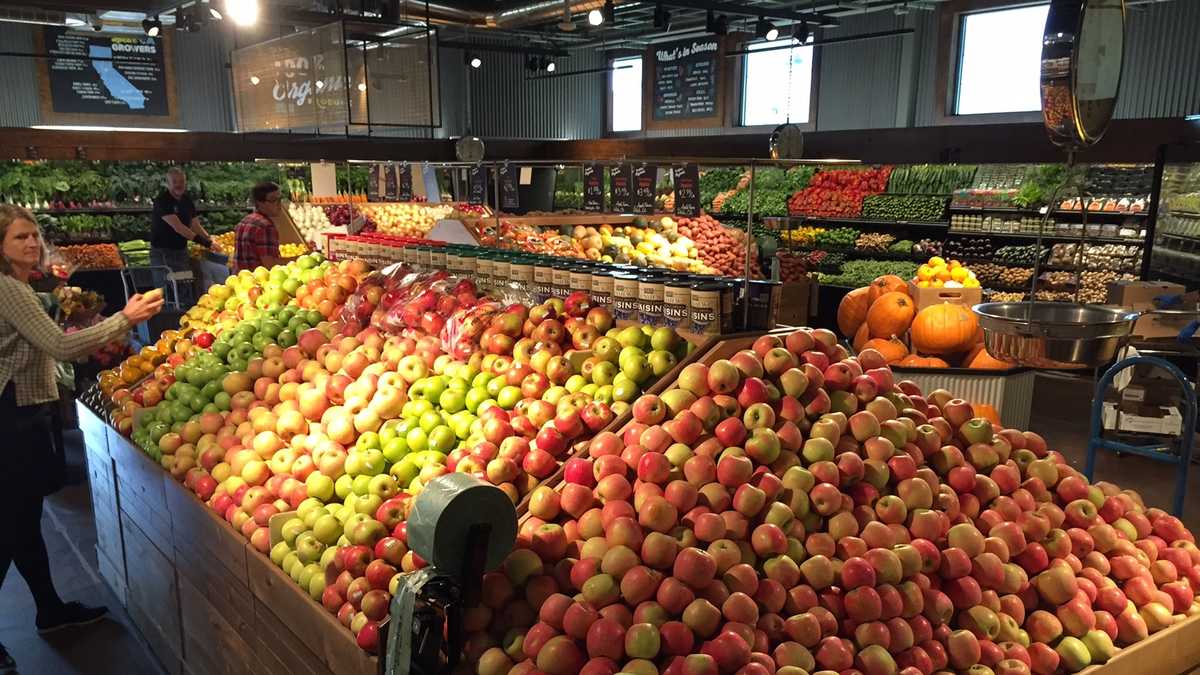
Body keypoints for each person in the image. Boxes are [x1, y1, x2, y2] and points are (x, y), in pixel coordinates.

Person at [0, 206, 162, 673]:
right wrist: (124, 319)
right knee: (8, 527)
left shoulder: (23, 287)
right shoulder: (10, 290)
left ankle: (49, 610)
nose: (32, 243)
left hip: (22, 413)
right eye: (19, 238)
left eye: (34, 235)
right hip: (9, 420)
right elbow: (62, 346)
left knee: (24, 521)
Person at [151, 167, 211, 302]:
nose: (179, 185)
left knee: (184, 284)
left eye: (181, 181)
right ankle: (165, 318)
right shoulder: (162, 201)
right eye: (175, 181)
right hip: (163, 253)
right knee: (167, 288)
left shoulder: (186, 201)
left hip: (181, 251)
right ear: (168, 183)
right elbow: (179, 228)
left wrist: (209, 238)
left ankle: (184, 313)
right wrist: (205, 243)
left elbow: (195, 225)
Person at [234, 181, 285, 272]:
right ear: (260, 203)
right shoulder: (265, 227)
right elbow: (271, 265)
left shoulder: (244, 221)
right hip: (258, 280)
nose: (279, 203)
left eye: (280, 199)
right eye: (273, 200)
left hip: (241, 280)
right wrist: (299, 258)